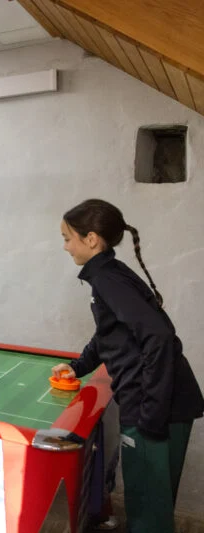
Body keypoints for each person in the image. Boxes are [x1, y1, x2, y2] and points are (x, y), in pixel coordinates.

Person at [52, 199, 204, 533]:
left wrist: (149, 413)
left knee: (148, 512)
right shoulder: (108, 274)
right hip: (165, 404)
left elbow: (159, 337)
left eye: (67, 238)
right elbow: (110, 333)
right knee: (152, 504)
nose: (65, 247)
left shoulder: (109, 279)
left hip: (156, 408)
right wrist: (79, 366)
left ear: (91, 239)